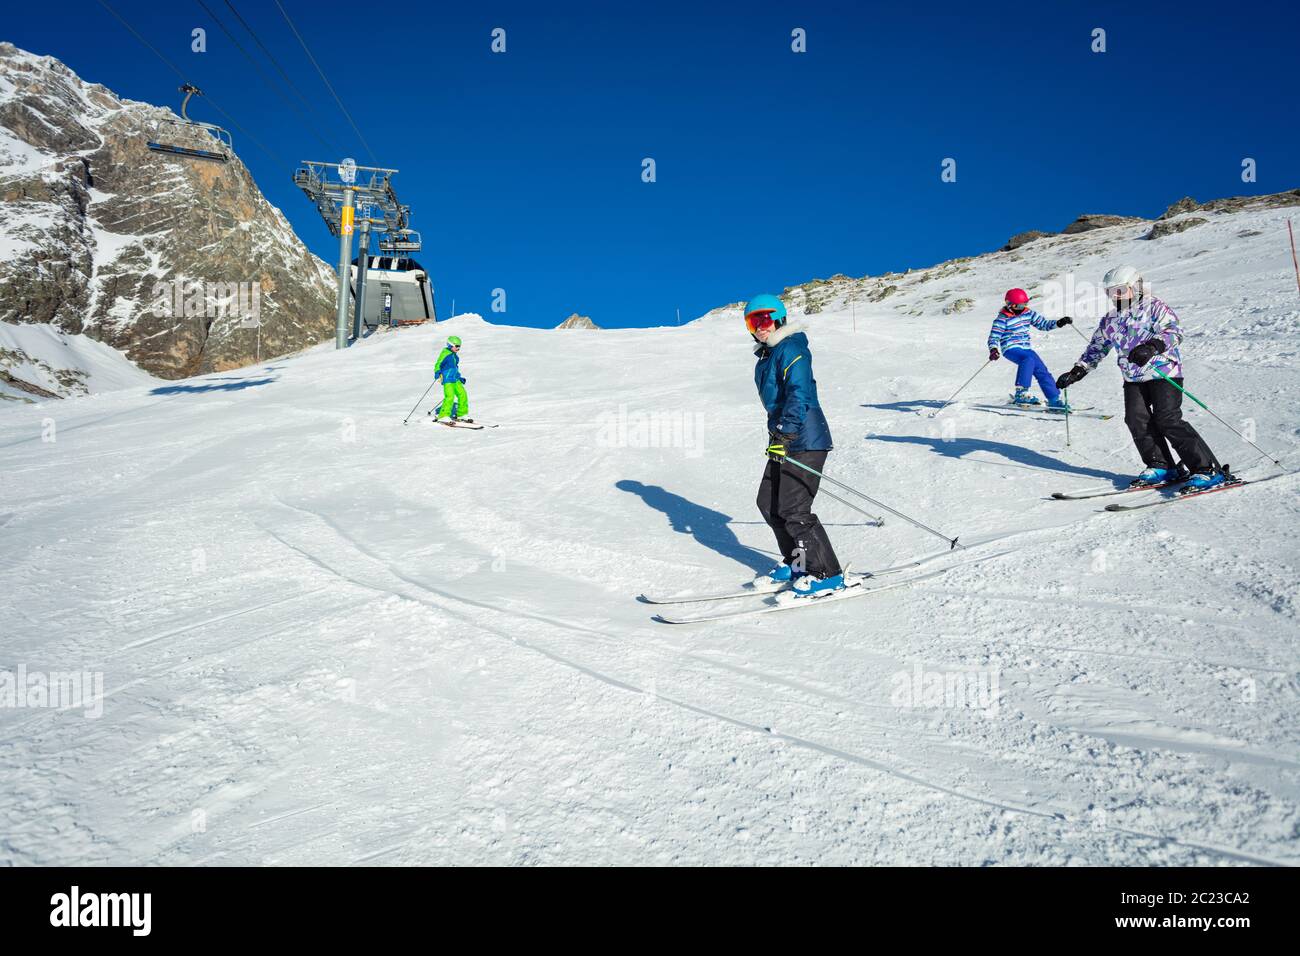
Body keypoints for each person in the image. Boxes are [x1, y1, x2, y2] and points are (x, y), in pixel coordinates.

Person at [1055, 265, 1225, 492]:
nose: (1115, 296)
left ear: (1135, 287)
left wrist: (1152, 347)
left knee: (1168, 419)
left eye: (1120, 290)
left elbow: (1174, 332)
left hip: (1163, 372)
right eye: (1110, 292)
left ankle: (1206, 470)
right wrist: (1078, 371)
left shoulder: (1155, 307)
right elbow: (1097, 347)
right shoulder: (1110, 320)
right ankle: (1161, 466)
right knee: (1136, 420)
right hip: (1133, 377)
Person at [746, 294, 844, 597]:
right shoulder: (765, 359)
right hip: (784, 439)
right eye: (753, 321)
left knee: (794, 509)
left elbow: (799, 395)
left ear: (778, 319)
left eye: (765, 319)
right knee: (769, 504)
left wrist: (786, 435)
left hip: (805, 438)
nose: (760, 327)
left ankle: (827, 574)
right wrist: (778, 437)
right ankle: (797, 563)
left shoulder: (792, 348)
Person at [986, 288, 1074, 410]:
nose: (1022, 307)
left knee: (1041, 370)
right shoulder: (1002, 319)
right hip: (1010, 348)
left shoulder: (1028, 313)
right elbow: (994, 337)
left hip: (1026, 348)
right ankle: (1021, 393)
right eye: (1019, 305)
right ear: (1010, 304)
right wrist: (994, 349)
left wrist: (1059, 323)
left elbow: (1043, 324)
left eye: (1024, 304)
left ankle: (1054, 400)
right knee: (1028, 359)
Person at [434, 335, 468, 421]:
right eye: (456, 346)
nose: (458, 348)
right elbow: (438, 363)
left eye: (459, 347)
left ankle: (462, 414)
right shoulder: (445, 353)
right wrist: (437, 372)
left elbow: (455, 368)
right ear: (450, 345)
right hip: (447, 379)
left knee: (462, 394)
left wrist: (459, 377)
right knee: (450, 396)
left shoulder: (455, 356)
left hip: (455, 379)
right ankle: (443, 415)